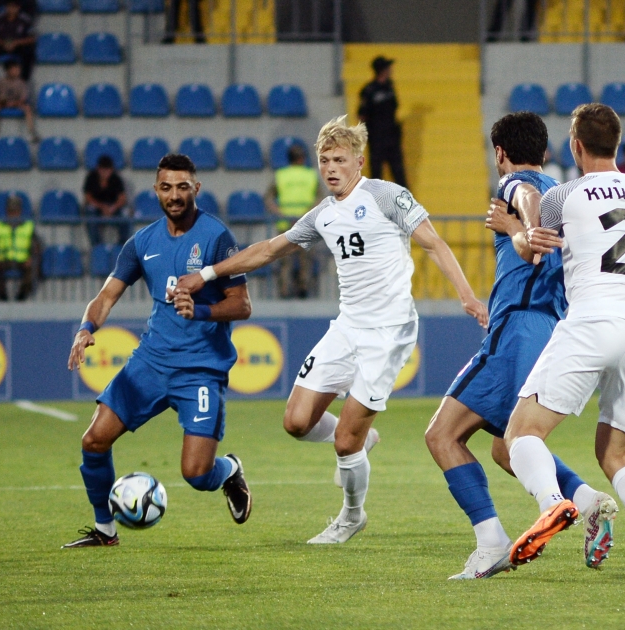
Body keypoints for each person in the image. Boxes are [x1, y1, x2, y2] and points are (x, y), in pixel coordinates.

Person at [173, 116, 489, 545]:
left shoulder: (385, 195)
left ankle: (351, 516)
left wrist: (467, 296)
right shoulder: (323, 214)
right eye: (324, 160)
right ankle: (363, 437)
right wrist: (207, 274)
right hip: (347, 328)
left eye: (339, 159)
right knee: (296, 421)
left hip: (388, 332)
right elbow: (268, 250)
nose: (330, 168)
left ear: (359, 161)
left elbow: (434, 242)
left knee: (344, 442)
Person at [424, 112, 617, 581]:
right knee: (507, 447)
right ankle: (588, 501)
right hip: (551, 327)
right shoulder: (568, 196)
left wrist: (523, 230)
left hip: (517, 330)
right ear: (548, 151)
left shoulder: (519, 184)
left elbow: (528, 211)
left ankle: (492, 542)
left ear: (499, 154)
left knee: (442, 436)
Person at [502, 103, 625, 580]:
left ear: (575, 146)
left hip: (591, 321)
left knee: (521, 434)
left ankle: (552, 504)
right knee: (616, 454)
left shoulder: (565, 195)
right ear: (619, 144)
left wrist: (513, 231)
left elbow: (534, 248)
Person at [63, 153, 253, 548]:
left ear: (196, 188)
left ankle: (230, 470)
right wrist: (85, 329)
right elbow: (106, 295)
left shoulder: (217, 237)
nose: (175, 195)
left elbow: (242, 305)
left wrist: (199, 310)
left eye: (183, 186)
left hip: (200, 369)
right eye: (166, 187)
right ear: (156, 191)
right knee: (93, 440)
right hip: (150, 363)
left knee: (197, 474)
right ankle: (105, 530)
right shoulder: (142, 242)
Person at [267, 144, 320, 298]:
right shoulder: (311, 175)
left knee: (285, 261)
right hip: (306, 224)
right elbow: (319, 199)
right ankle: (303, 289)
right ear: (302, 158)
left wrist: (280, 213)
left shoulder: (280, 175)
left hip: (284, 224)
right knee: (306, 260)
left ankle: (284, 290)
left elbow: (269, 198)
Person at [358, 56, 407, 187]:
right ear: (382, 70)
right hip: (377, 137)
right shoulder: (369, 90)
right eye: (388, 67)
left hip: (391, 136)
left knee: (399, 173)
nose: (391, 70)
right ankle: (376, 204)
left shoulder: (390, 86)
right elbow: (362, 115)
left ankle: (406, 205)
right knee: (376, 173)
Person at [0, 0, 35, 82]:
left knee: (29, 52)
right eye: (9, 6)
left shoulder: (25, 20)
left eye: (14, 7)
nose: (11, 9)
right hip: (2, 44)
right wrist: (3, 43)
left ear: (18, 7)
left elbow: (32, 38)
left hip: (18, 46)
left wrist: (16, 43)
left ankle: (24, 80)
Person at [0, 195, 34, 301]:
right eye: (11, 211)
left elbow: (36, 245)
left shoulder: (28, 226)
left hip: (22, 260)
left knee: (33, 266)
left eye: (16, 211)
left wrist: (31, 257)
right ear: (7, 211)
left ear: (20, 211)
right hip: (3, 260)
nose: (13, 214)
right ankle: (2, 296)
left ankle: (22, 295)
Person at [83, 155, 130, 246]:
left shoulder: (116, 179)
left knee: (125, 213)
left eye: (107, 170)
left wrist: (113, 208)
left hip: (113, 207)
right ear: (98, 169)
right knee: (90, 211)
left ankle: (122, 245)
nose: (104, 173)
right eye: (102, 170)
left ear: (111, 170)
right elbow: (88, 198)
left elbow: (122, 198)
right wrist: (102, 207)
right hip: (97, 207)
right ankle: (96, 246)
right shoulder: (91, 177)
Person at [0, 58, 37, 142]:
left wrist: (14, 103)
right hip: (3, 103)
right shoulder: (0, 82)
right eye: (15, 69)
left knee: (27, 108)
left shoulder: (21, 83)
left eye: (18, 69)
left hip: (17, 104)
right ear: (8, 70)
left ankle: (31, 132)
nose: (18, 71)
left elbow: (23, 98)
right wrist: (2, 101)